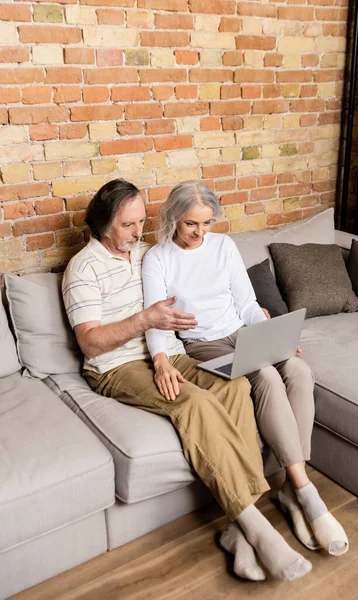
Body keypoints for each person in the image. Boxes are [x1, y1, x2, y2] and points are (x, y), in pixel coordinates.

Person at [62, 178, 312, 583]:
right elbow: (90, 343)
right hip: (117, 367)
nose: (138, 233)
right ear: (104, 223)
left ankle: (237, 530)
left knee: (234, 384)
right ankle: (255, 526)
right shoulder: (83, 268)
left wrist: (255, 316)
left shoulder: (146, 254)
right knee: (194, 402)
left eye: (141, 222)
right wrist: (147, 321)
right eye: (128, 225)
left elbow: (191, 278)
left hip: (170, 353)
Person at [142, 180, 349, 558]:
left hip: (242, 332)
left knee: (299, 370)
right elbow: (156, 320)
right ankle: (305, 489)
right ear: (173, 217)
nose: (199, 232)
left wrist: (272, 333)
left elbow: (248, 303)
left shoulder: (223, 245)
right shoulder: (158, 258)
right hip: (204, 346)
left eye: (206, 223)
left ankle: (288, 485)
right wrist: (158, 359)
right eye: (191, 224)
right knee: (266, 376)